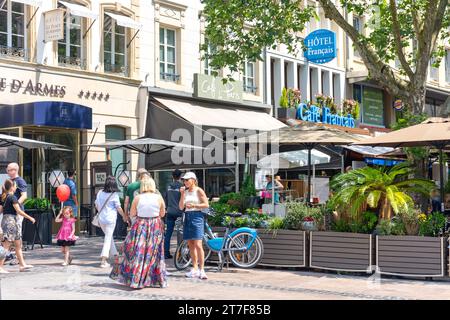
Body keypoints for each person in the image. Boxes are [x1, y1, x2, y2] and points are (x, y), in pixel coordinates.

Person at [114, 175, 167, 289]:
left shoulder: (138, 198)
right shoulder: (158, 197)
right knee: (153, 253)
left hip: (141, 225)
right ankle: (154, 279)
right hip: (155, 226)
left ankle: (137, 279)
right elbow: (162, 214)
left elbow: (132, 213)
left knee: (139, 252)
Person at [179, 172, 209, 280]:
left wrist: (194, 205)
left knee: (198, 244)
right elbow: (181, 206)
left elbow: (206, 205)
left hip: (197, 216)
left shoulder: (199, 190)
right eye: (184, 180)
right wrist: (182, 194)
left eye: (187, 180)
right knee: (190, 243)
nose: (185, 182)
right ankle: (194, 268)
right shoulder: (185, 192)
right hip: (187, 216)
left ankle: (202, 270)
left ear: (193, 180)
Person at [0, 179, 35, 273]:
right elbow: (19, 211)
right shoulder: (13, 197)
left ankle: (22, 265)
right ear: (12, 187)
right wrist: (30, 218)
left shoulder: (3, 197)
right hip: (11, 222)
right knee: (6, 245)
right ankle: (0, 267)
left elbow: (0, 211)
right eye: (15, 186)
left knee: (18, 244)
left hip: (8, 221)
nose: (16, 187)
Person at [95, 176, 127, 268]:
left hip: (101, 219)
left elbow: (96, 205)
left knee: (109, 237)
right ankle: (103, 260)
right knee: (108, 239)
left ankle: (116, 256)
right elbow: (118, 208)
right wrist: (124, 216)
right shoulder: (114, 195)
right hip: (110, 219)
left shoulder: (100, 192)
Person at [163, 169, 183, 259]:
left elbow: (165, 198)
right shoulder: (182, 187)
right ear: (180, 176)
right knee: (181, 232)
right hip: (179, 212)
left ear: (172, 176)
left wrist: (167, 208)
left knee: (168, 234)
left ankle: (166, 253)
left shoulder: (168, 186)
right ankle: (180, 254)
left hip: (170, 211)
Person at [6, 163, 27, 235]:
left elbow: (24, 196)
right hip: (9, 213)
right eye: (7, 170)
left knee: (16, 235)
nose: (8, 172)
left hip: (17, 213)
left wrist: (15, 206)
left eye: (9, 170)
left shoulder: (20, 181)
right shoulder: (9, 180)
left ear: (15, 170)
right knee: (9, 235)